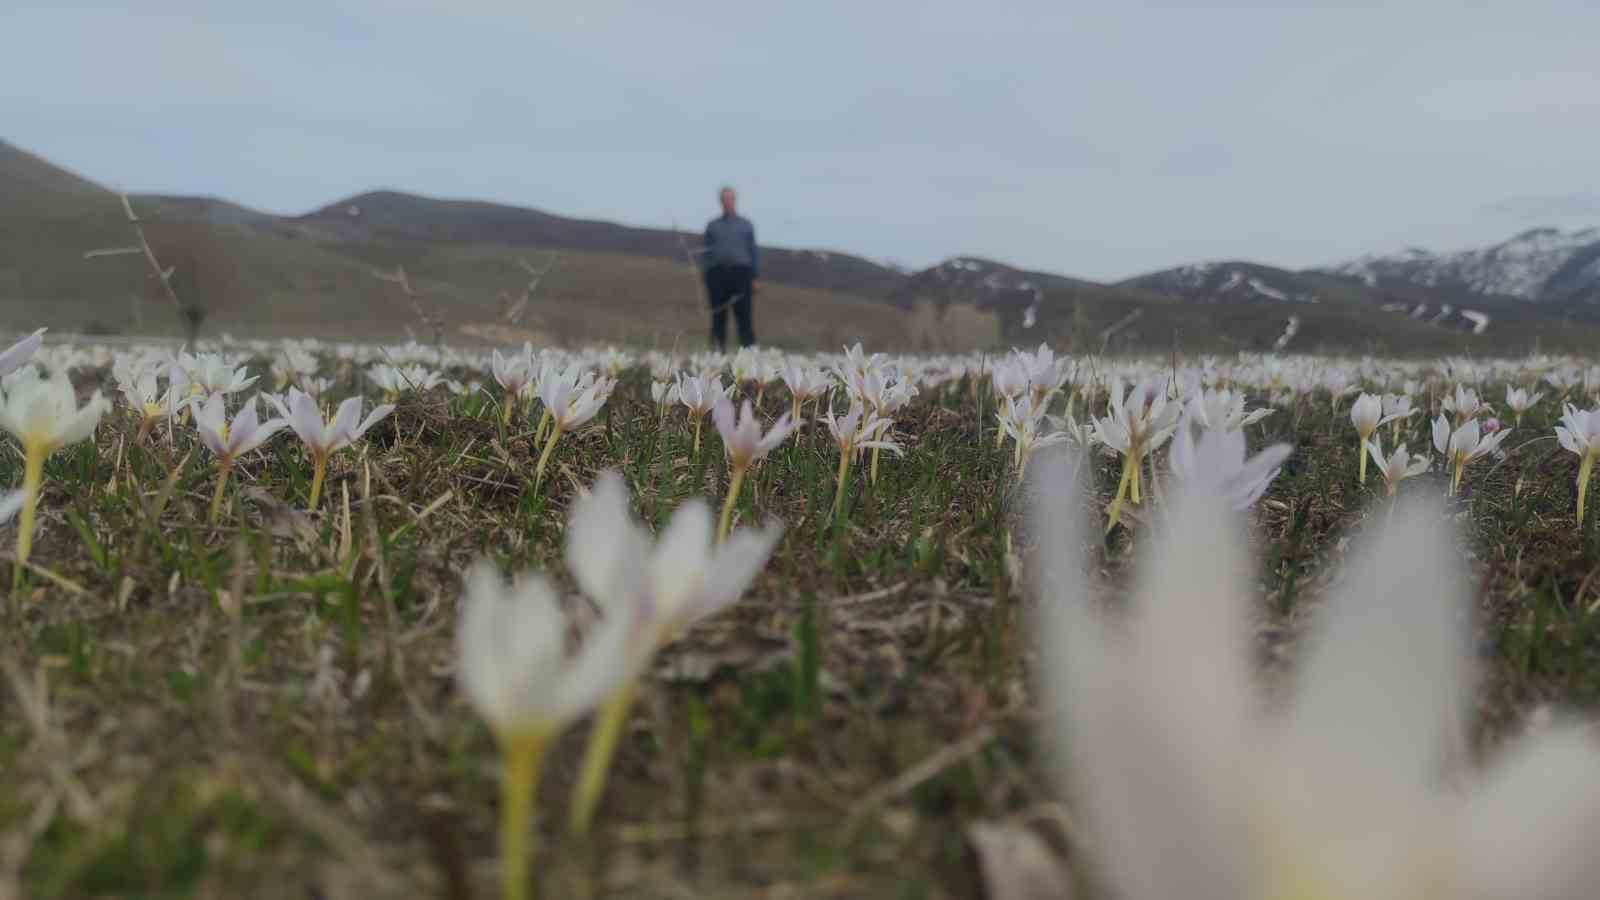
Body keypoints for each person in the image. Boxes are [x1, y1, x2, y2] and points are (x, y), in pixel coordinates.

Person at [701, 186, 758, 351]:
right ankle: (718, 355)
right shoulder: (712, 226)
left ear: (735, 200)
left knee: (744, 317)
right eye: (724, 199)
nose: (727, 202)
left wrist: (754, 277)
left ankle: (750, 355)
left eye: (730, 199)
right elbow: (706, 252)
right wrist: (706, 275)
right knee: (718, 317)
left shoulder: (746, 225)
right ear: (720, 202)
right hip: (717, 275)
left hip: (742, 274)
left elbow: (753, 251)